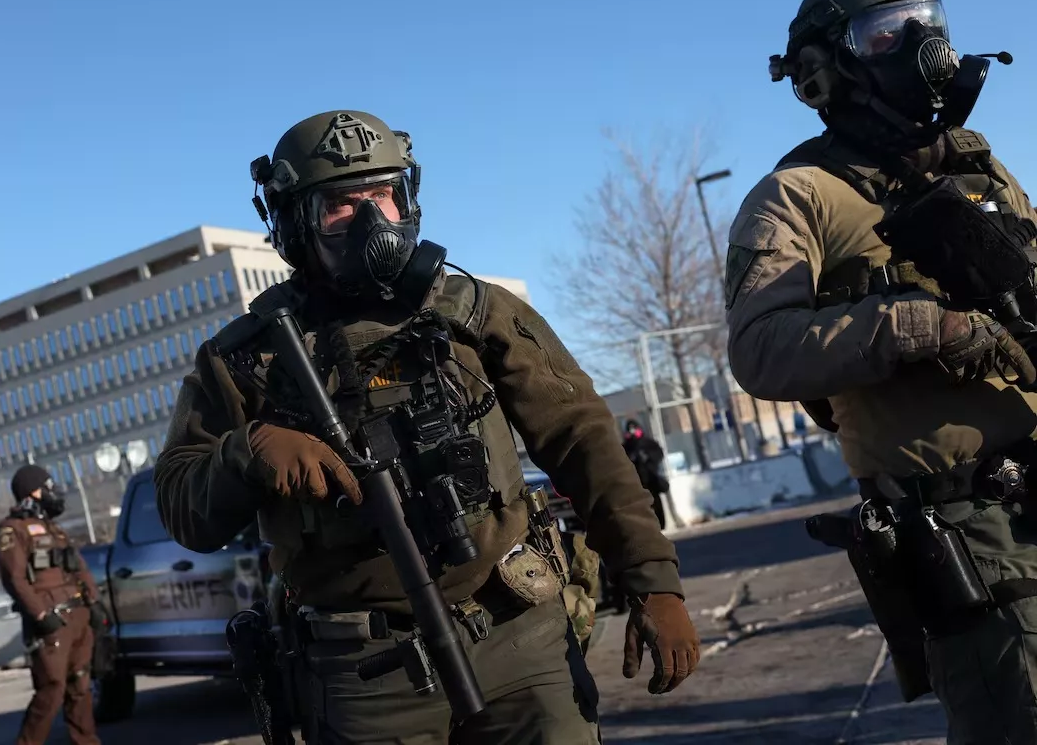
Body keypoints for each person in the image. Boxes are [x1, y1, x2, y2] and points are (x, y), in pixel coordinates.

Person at [154, 109, 701, 744]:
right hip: (367, 675)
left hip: (517, 637)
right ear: (294, 221)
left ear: (408, 197)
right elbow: (181, 505)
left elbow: (584, 442)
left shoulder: (474, 312)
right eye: (341, 204)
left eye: (382, 195)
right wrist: (244, 453)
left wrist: (653, 583)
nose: (370, 220)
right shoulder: (245, 360)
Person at [726, 0, 1037, 742]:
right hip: (965, 532)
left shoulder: (981, 167)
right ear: (823, 70)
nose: (923, 42)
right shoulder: (796, 196)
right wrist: (912, 325)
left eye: (931, 20)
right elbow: (759, 349)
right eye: (887, 30)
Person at [0, 464, 107, 745]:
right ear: (32, 491)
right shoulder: (11, 530)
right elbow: (15, 579)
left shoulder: (54, 530)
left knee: (81, 687)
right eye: (48, 484)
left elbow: (79, 569)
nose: (54, 490)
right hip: (52, 623)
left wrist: (94, 603)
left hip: (78, 616)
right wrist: (41, 615)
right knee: (51, 690)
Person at [622, 420, 670, 528]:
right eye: (630, 430)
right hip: (635, 483)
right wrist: (632, 459)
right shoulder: (625, 447)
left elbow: (659, 453)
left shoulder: (648, 443)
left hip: (650, 479)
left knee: (656, 503)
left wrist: (648, 457)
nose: (633, 432)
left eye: (635, 429)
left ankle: (660, 524)